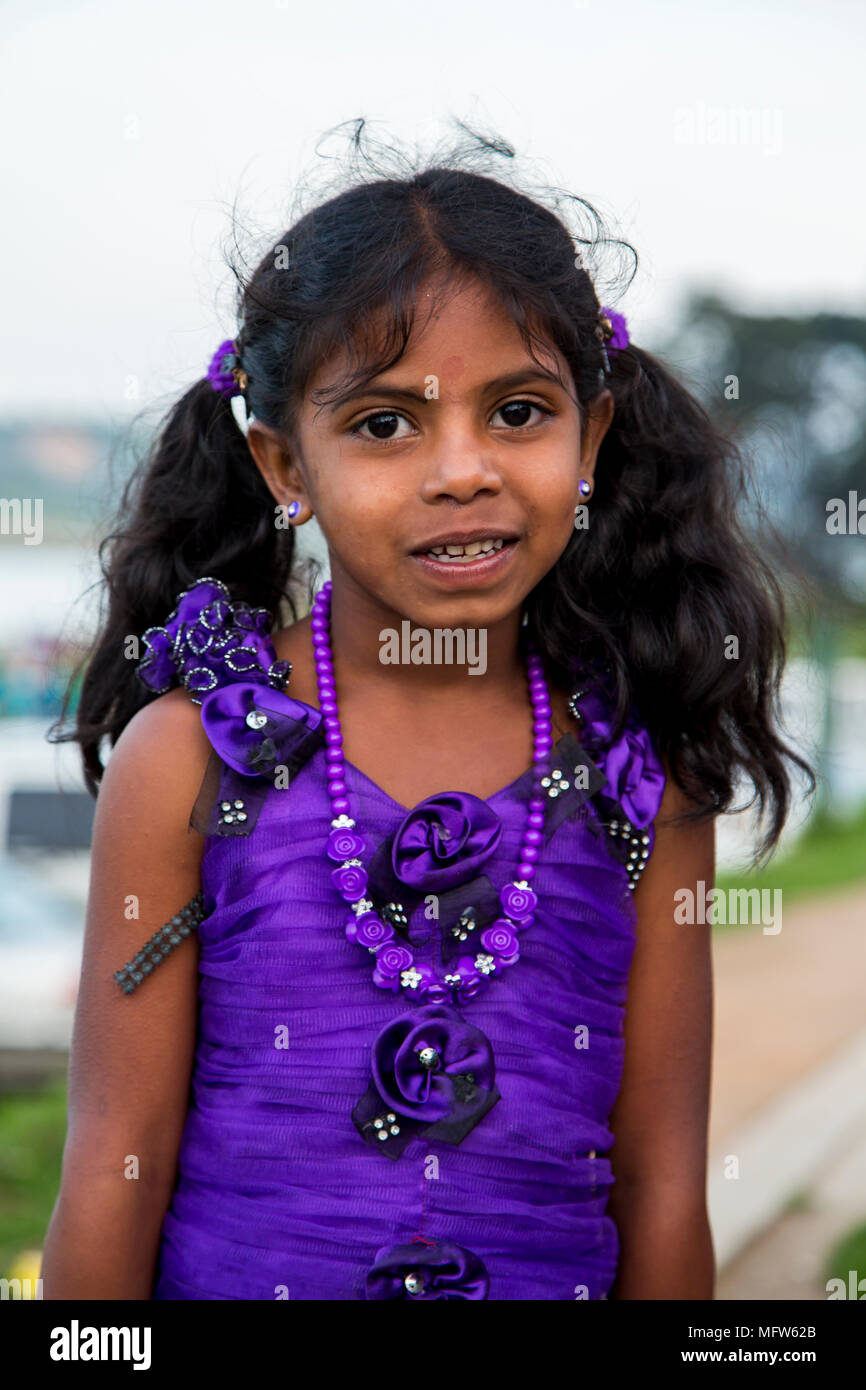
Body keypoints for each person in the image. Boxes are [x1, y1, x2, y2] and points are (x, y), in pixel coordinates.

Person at [41, 129, 813, 1300]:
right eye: (384, 424)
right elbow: (109, 1173)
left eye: (516, 412)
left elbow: (660, 1188)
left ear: (588, 436)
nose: (462, 470)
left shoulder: (640, 780)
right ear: (282, 464)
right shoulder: (187, 760)